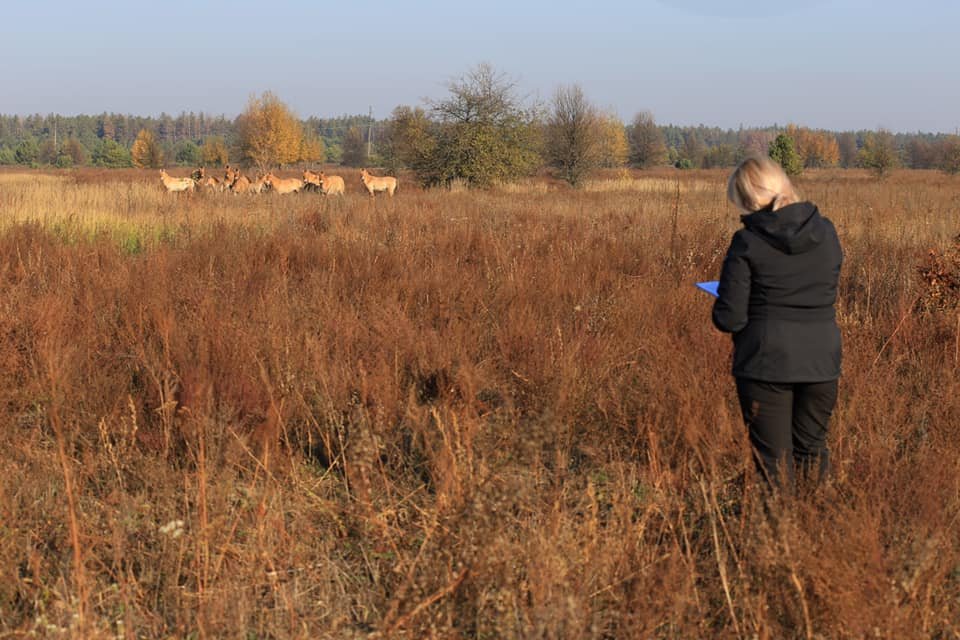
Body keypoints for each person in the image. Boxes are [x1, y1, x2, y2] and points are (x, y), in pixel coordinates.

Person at [712, 156, 843, 491]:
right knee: (813, 451)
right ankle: (818, 532)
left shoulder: (747, 242)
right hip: (822, 360)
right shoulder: (826, 232)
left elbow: (730, 318)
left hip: (766, 363)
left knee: (773, 466)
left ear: (748, 200)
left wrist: (724, 294)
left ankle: (777, 540)